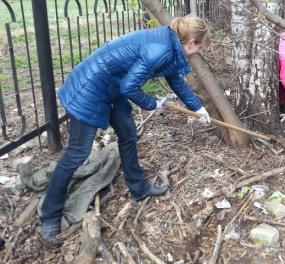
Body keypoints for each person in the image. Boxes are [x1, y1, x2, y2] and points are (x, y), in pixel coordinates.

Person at [40, 16, 211, 245]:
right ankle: (49, 217)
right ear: (190, 42)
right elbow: (129, 86)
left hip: (111, 88)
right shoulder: (160, 49)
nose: (195, 53)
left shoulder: (170, 44)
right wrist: (152, 103)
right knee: (77, 154)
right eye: (198, 48)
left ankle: (139, 188)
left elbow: (175, 81)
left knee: (128, 134)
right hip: (90, 88)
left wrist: (198, 108)